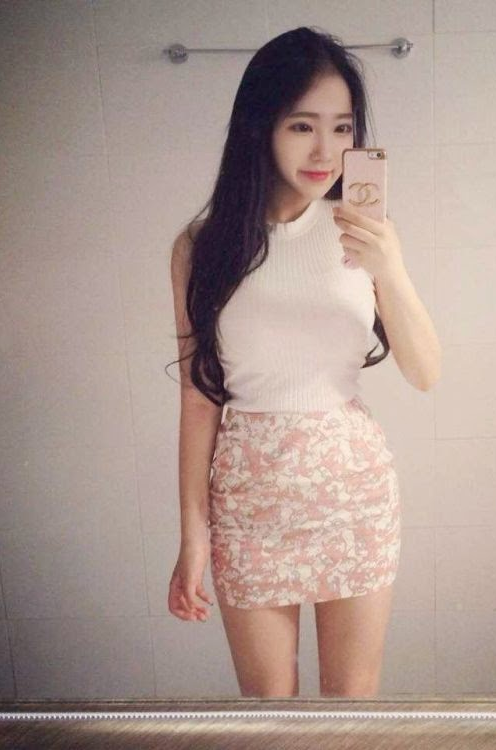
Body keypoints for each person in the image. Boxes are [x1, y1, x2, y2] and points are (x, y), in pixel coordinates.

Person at [166, 26, 413, 699]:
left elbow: (426, 370)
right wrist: (193, 537)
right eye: (303, 126)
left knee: (351, 705)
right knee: (268, 712)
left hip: (352, 491)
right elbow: (197, 397)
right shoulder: (200, 246)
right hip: (248, 498)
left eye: (342, 128)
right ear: (261, 128)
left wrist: (389, 267)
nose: (325, 151)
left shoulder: (364, 233)